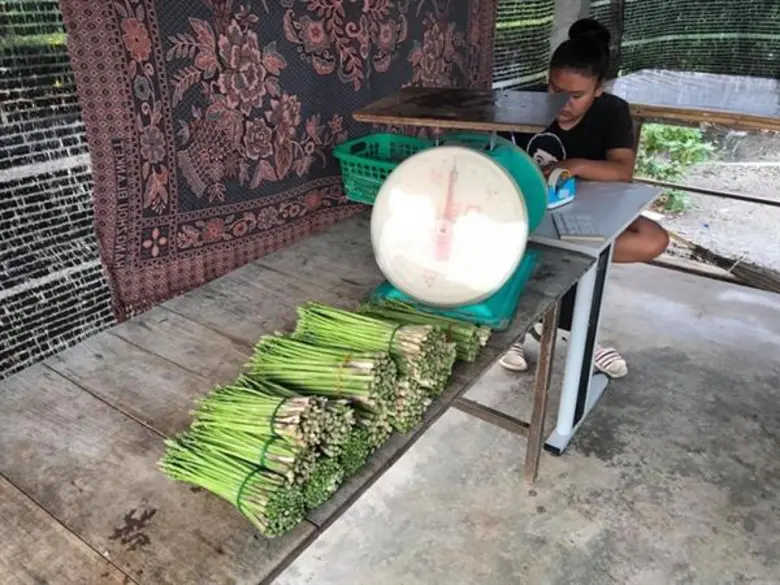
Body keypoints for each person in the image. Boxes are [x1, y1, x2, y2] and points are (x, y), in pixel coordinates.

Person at [498, 18, 669, 376]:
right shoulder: (524, 102)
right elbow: (497, 152)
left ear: (599, 89)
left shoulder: (613, 111)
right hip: (528, 209)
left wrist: (570, 164)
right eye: (555, 89)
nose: (563, 103)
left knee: (652, 239)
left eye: (576, 96)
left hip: (584, 210)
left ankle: (569, 329)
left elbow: (621, 171)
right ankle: (544, 330)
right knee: (533, 244)